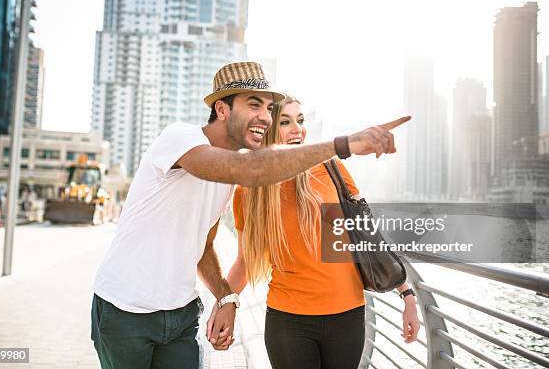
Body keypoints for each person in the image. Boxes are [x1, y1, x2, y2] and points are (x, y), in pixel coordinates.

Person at [91, 61, 410, 369]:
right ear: (222, 109)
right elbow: (253, 171)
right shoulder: (182, 138)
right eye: (254, 105)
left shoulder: (230, 180)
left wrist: (226, 299)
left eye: (269, 109)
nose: (265, 117)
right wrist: (346, 143)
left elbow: (205, 246)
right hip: (126, 310)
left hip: (182, 312)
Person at [218, 95, 420, 369]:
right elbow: (245, 261)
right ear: (267, 130)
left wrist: (407, 295)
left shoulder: (331, 169)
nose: (297, 129)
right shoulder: (248, 192)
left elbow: (367, 237)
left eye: (300, 121)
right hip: (288, 321)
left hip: (347, 316)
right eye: (285, 121)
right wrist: (225, 304)